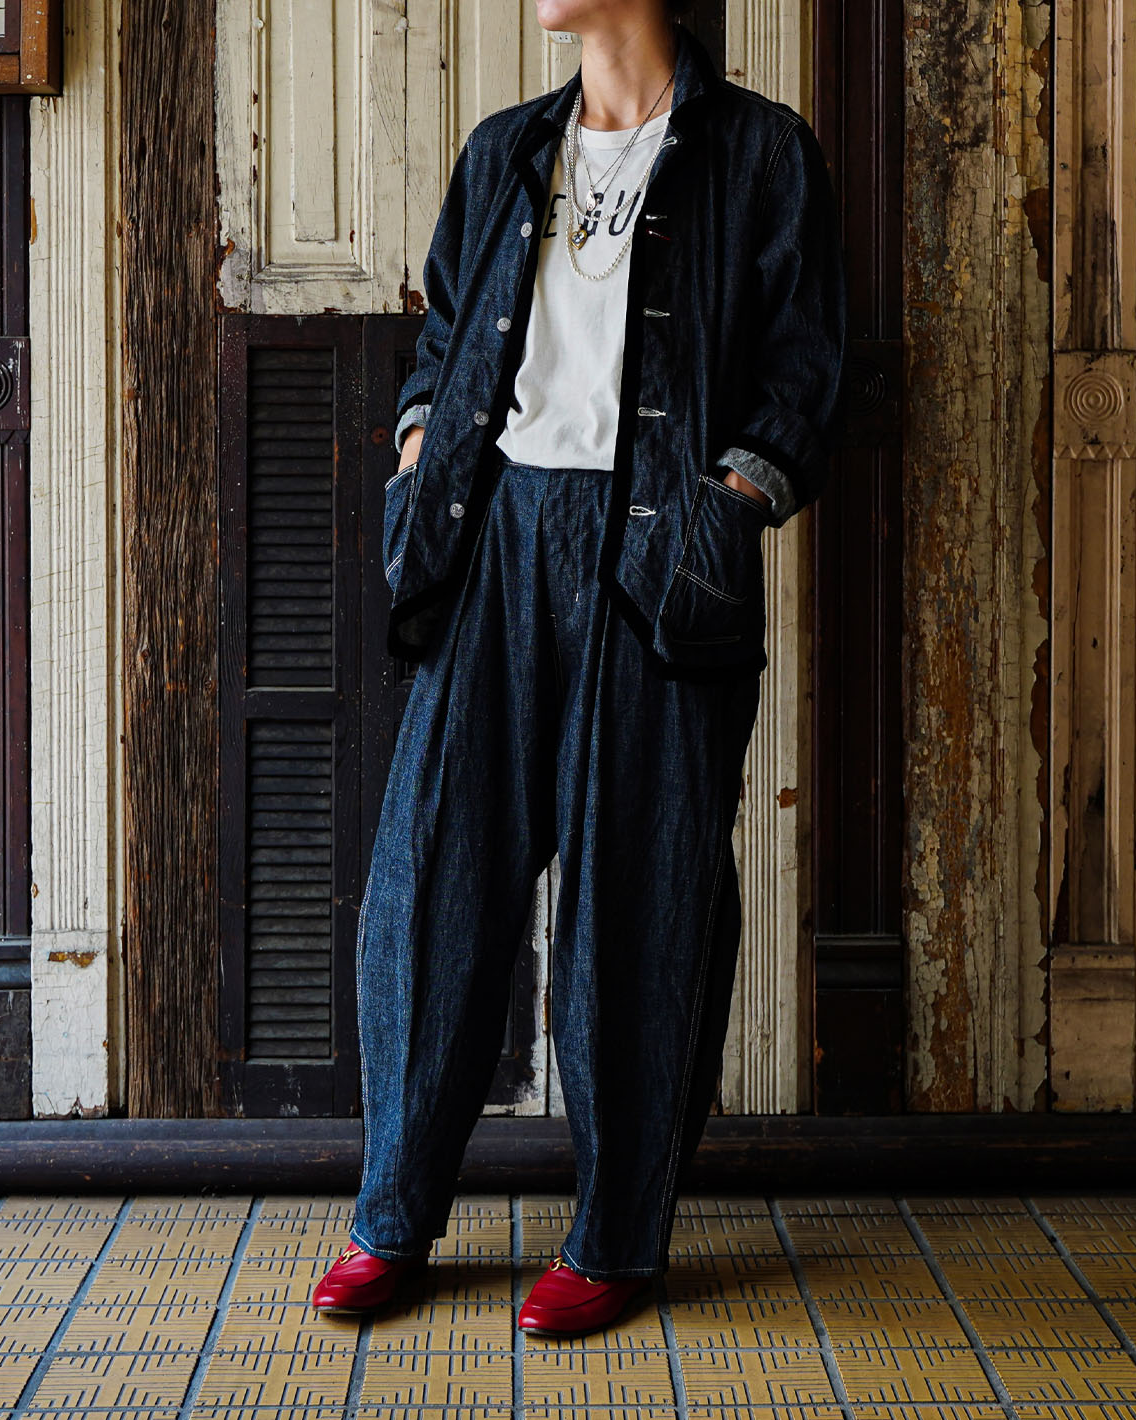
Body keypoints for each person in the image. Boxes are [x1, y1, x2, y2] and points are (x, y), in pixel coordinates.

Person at [312, 0, 847, 1336]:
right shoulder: (506, 149)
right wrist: (421, 443)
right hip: (494, 536)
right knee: (431, 880)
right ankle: (392, 1217)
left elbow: (807, 367)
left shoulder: (763, 154)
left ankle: (614, 1241)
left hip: (658, 544)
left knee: (639, 893)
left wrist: (729, 502)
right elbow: (445, 332)